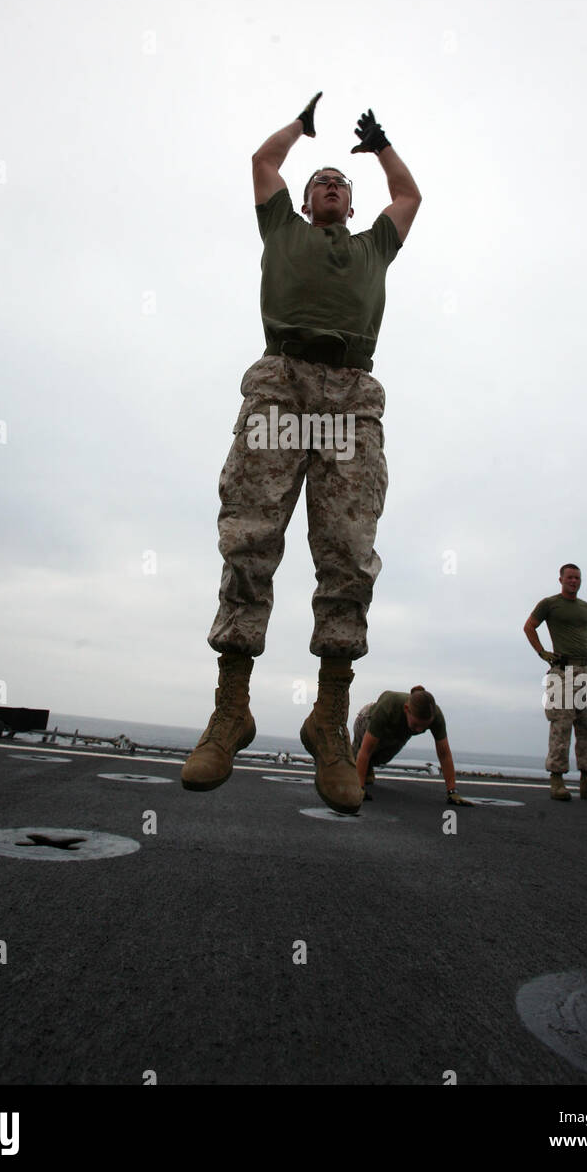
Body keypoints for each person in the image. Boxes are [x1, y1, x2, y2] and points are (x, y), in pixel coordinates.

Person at [181, 93, 421, 815]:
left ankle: (328, 719)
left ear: (351, 205)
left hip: (350, 393)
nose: (328, 187)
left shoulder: (375, 244)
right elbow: (262, 161)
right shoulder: (280, 226)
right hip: (282, 381)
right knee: (251, 535)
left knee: (348, 550)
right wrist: (302, 130)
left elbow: (410, 195)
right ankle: (231, 709)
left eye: (337, 185)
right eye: (320, 180)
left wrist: (379, 147)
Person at [523, 564, 587, 802]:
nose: (574, 581)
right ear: (561, 579)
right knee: (561, 724)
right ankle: (557, 780)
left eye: (578, 578)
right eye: (570, 577)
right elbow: (529, 626)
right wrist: (542, 652)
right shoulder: (549, 603)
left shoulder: (586, 607)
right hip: (562, 671)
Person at [352, 686, 473, 804]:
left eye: (424, 727)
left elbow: (444, 754)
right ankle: (348, 764)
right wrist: (359, 789)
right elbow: (366, 750)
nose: (419, 730)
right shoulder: (389, 705)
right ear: (406, 709)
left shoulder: (436, 716)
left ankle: (367, 767)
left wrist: (452, 792)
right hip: (367, 718)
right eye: (416, 725)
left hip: (396, 731)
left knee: (383, 757)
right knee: (360, 753)